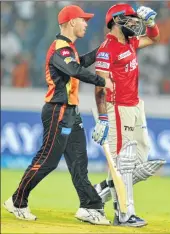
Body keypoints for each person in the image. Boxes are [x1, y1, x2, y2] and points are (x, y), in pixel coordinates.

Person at [3, 5, 113, 225]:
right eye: (83, 20)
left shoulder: (68, 49)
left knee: (79, 161)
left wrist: (104, 47)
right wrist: (103, 81)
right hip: (58, 110)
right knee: (48, 160)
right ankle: (17, 200)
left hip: (71, 111)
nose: (86, 24)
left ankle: (88, 207)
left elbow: (79, 63)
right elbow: (75, 70)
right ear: (71, 22)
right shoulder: (60, 48)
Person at [92, 3, 165, 227]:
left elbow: (154, 39)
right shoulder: (107, 48)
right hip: (117, 108)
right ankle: (124, 213)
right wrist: (103, 118)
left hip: (135, 106)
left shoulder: (131, 41)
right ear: (115, 21)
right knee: (123, 162)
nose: (134, 22)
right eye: (129, 18)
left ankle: (101, 190)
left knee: (140, 161)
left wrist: (152, 23)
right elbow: (99, 86)